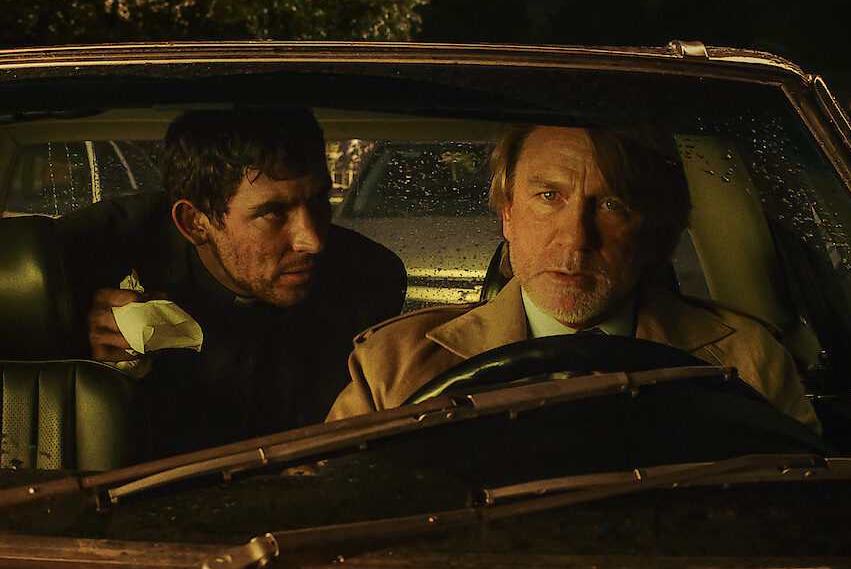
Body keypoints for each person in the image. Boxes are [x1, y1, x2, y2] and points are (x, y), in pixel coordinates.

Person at [327, 124, 820, 433]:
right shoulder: (392, 367)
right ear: (507, 215)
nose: (575, 239)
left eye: (611, 205)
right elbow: (328, 517)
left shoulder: (747, 363)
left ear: (654, 232)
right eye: (548, 197)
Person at [58, 108, 407, 458]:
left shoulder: (366, 279)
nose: (312, 241)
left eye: (319, 200)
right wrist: (82, 357)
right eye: (273, 213)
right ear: (195, 222)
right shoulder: (90, 256)